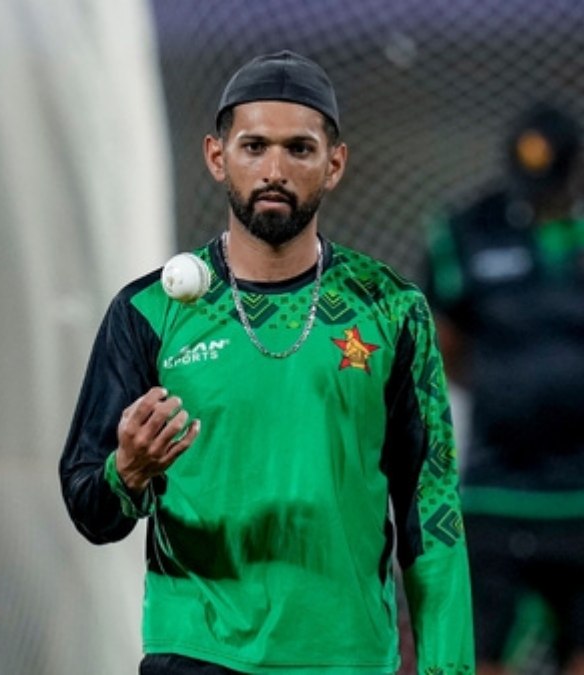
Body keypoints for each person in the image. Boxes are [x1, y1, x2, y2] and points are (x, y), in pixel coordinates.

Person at [59, 50, 473, 673]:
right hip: (197, 650)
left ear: (335, 164)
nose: (275, 170)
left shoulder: (391, 310)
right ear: (216, 156)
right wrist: (129, 471)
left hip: (345, 656)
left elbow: (432, 512)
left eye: (299, 149)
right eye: (254, 147)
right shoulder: (147, 313)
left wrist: (447, 668)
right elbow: (89, 509)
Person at [424, 103, 584, 674]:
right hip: (495, 487)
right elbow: (444, 339)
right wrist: (514, 391)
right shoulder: (469, 229)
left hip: (580, 493)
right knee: (475, 651)